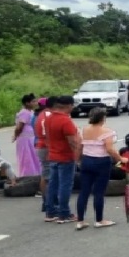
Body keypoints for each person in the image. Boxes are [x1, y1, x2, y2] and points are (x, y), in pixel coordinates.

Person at [75, 108, 128, 230]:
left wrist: (78, 160)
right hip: (101, 162)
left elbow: (79, 147)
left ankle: (80, 221)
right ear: (102, 118)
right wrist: (120, 158)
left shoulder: (84, 130)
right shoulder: (107, 132)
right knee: (99, 192)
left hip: (86, 161)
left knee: (84, 191)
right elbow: (109, 149)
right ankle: (99, 220)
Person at [44, 95, 80, 224]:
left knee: (53, 184)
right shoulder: (66, 121)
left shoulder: (48, 118)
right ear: (69, 105)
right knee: (65, 185)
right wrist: (77, 157)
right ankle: (64, 213)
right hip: (65, 156)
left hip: (53, 155)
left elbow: (47, 137)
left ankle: (50, 211)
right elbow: (72, 142)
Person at [35, 96, 57, 207]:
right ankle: (50, 202)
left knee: (45, 174)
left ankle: (46, 200)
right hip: (47, 147)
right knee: (49, 176)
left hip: (41, 146)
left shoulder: (41, 114)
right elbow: (48, 134)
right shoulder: (48, 116)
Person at [13, 93, 41, 177]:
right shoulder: (24, 112)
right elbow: (19, 127)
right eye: (33, 101)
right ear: (27, 103)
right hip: (25, 138)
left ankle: (36, 173)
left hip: (31, 137)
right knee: (27, 157)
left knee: (34, 156)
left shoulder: (31, 111)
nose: (35, 103)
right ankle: (28, 174)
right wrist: (15, 135)